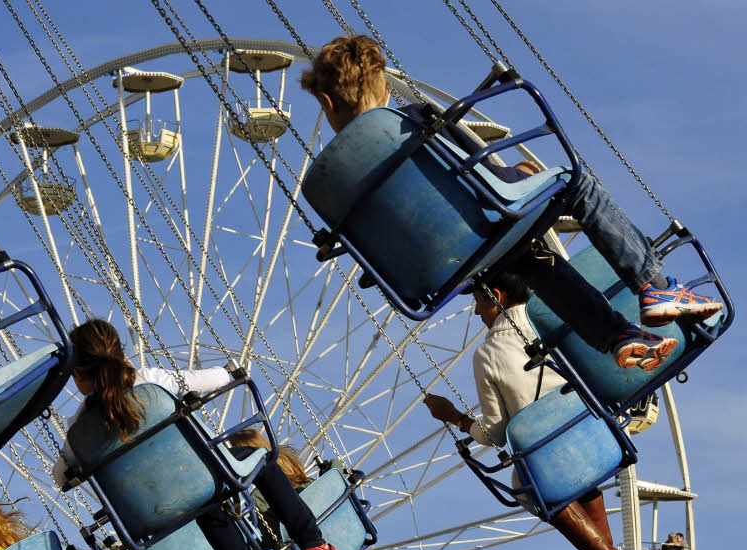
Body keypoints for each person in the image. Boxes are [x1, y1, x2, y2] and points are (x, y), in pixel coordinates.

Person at [300, 35, 722, 373]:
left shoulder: (331, 184)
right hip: (482, 227)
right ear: (384, 86)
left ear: (327, 103)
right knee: (578, 186)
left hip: (443, 271)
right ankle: (655, 287)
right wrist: (518, 174)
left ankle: (619, 337)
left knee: (529, 259)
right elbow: (482, 177)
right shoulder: (409, 123)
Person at [50, 319, 357, 550]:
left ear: (77, 375)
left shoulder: (78, 430)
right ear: (122, 354)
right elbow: (214, 380)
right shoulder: (152, 381)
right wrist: (228, 372)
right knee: (260, 460)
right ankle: (312, 544)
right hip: (198, 481)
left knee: (211, 505)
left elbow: (60, 476)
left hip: (150, 515)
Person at [423, 270, 636, 550]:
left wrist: (454, 416)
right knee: (576, 472)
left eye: (479, 302)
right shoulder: (557, 318)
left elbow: (495, 435)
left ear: (496, 296)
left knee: (530, 480)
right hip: (599, 438)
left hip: (549, 460)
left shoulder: (487, 354)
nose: (477, 311)